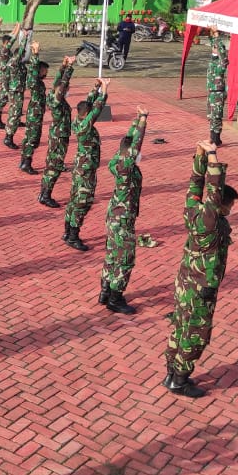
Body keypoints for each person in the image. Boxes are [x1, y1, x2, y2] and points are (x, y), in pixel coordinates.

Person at [163, 141, 237, 398]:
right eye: (229, 206)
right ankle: (179, 380)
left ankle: (171, 372)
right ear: (222, 206)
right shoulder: (211, 219)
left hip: (184, 283)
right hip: (200, 289)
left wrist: (199, 156)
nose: (229, 210)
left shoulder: (193, 210)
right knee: (195, 334)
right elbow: (214, 190)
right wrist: (214, 158)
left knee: (180, 327)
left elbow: (196, 185)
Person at [99, 108, 149, 314]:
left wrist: (136, 120)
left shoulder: (116, 162)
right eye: (136, 154)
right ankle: (115, 298)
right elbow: (135, 144)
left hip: (114, 217)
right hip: (122, 221)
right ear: (129, 154)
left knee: (112, 255)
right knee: (125, 259)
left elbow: (129, 141)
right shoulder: (126, 168)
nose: (139, 156)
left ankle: (105, 291)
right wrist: (144, 120)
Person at [62, 79, 109, 251]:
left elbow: (89, 106)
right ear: (86, 115)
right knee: (83, 202)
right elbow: (96, 109)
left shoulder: (78, 120)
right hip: (86, 170)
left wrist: (95, 88)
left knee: (74, 200)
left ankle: (67, 231)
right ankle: (73, 236)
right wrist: (104, 90)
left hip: (80, 168)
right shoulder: (85, 127)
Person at [38, 57, 76, 207]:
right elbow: (61, 85)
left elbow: (57, 84)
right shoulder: (56, 100)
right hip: (59, 137)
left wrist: (63, 66)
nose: (68, 90)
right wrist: (70, 68)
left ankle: (44, 193)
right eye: (67, 89)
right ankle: (45, 195)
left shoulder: (52, 95)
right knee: (54, 167)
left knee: (52, 165)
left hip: (58, 135)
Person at [18, 44, 53, 173]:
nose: (46, 73)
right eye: (45, 70)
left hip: (35, 113)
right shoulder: (34, 81)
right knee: (32, 139)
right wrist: (35, 53)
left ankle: (23, 161)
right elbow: (32, 70)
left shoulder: (39, 82)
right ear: (40, 70)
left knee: (29, 138)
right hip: (34, 114)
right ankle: (26, 163)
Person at [2, 29, 32, 149]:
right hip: (15, 92)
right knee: (14, 113)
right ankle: (8, 137)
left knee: (15, 113)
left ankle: (9, 133)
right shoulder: (14, 62)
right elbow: (20, 50)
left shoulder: (18, 63)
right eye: (23, 55)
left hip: (17, 90)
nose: (24, 57)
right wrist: (25, 38)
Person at [0, 26, 19, 129]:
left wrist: (16, 27)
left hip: (7, 76)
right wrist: (19, 28)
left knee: (9, 98)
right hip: (5, 77)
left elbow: (11, 36)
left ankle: (14, 118)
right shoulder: (4, 50)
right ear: (5, 43)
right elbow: (13, 39)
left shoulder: (3, 48)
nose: (9, 44)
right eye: (8, 43)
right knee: (3, 98)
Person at [206, 27, 228, 146]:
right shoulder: (213, 61)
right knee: (210, 116)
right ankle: (212, 138)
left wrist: (217, 35)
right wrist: (212, 33)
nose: (213, 48)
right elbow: (213, 43)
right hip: (211, 92)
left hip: (218, 93)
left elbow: (222, 52)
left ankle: (217, 140)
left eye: (215, 48)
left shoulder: (222, 62)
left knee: (217, 117)